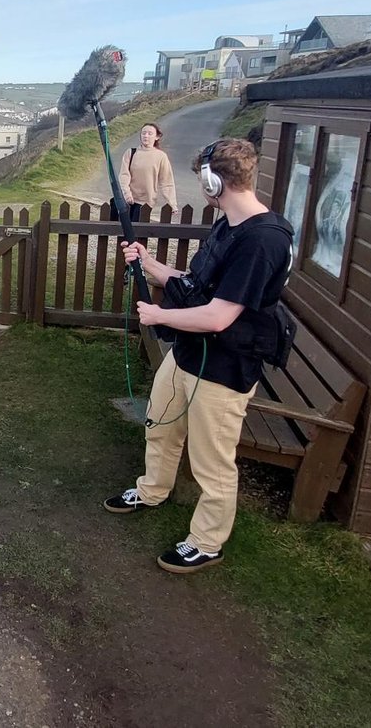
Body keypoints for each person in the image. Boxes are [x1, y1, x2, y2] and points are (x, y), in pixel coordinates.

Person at [103, 138, 293, 574]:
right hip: (189, 354)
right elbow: (195, 285)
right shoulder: (230, 225)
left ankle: (207, 542)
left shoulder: (263, 241)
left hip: (224, 368)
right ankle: (152, 490)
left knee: (212, 463)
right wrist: (149, 264)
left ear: (214, 181)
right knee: (160, 425)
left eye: (202, 180)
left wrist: (155, 314)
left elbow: (219, 316)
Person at [117, 122, 178, 222]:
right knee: (123, 232)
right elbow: (124, 175)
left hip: (146, 202)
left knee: (138, 232)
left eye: (150, 133)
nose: (146, 136)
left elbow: (166, 182)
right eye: (143, 133)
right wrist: (126, 193)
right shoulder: (131, 153)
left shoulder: (161, 156)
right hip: (128, 199)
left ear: (157, 137)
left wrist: (172, 203)